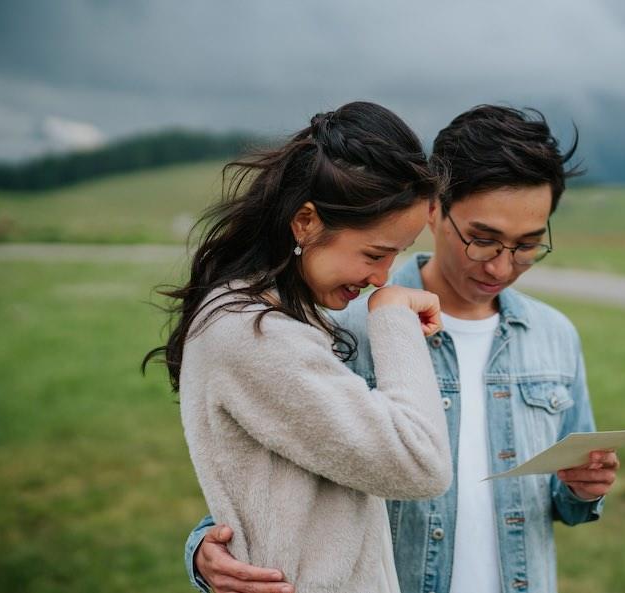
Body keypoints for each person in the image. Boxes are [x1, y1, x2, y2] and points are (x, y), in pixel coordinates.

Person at [184, 105, 622, 593]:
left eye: (526, 247)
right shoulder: (341, 318)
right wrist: (207, 547)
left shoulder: (555, 334)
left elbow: (565, 494)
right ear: (435, 211)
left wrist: (580, 491)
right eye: (483, 241)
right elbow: (274, 476)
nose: (501, 267)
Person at [144, 101, 454, 593]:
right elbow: (421, 463)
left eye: (396, 255)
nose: (382, 277)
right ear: (306, 222)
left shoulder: (280, 319)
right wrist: (393, 316)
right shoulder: (252, 334)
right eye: (375, 253)